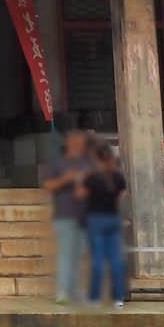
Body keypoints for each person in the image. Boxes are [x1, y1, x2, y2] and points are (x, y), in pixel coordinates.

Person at [40, 128, 94, 305]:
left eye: (81, 142)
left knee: (79, 254)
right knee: (66, 254)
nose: (78, 145)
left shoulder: (89, 164)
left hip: (85, 215)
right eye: (74, 142)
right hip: (64, 214)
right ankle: (62, 291)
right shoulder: (58, 164)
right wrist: (66, 179)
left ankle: (75, 290)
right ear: (68, 143)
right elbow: (48, 185)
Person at [80, 144, 130, 308]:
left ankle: (95, 297)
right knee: (116, 260)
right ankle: (118, 297)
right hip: (113, 218)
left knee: (98, 260)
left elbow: (81, 195)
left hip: (96, 219)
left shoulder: (92, 178)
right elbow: (121, 197)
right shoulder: (118, 177)